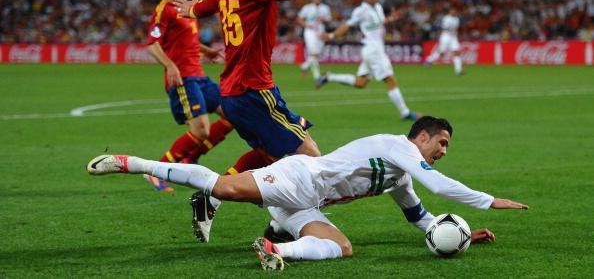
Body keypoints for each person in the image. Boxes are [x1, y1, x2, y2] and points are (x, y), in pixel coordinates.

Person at [87, 115, 529, 271]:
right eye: (442, 143)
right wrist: (489, 200)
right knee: (221, 185)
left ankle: (276, 249)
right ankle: (131, 163)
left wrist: (464, 234)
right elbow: (436, 182)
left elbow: (421, 219)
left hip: (305, 203)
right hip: (300, 178)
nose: (444, 151)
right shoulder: (397, 146)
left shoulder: (400, 176)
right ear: (421, 137)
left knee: (341, 246)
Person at [171, 0, 353, 241]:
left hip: (235, 92)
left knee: (275, 156)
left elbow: (208, 4)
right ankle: (285, 226)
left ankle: (218, 200)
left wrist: (191, 9)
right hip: (254, 89)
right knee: (313, 162)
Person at [145, 0, 233, 192]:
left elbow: (188, 41)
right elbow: (152, 44)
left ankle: (190, 159)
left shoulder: (186, 9)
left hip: (199, 76)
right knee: (201, 130)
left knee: (233, 114)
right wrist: (170, 66)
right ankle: (156, 170)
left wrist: (207, 51)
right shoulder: (164, 9)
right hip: (183, 79)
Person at [317, 0, 421, 121]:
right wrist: (331, 35)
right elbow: (347, 25)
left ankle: (329, 77)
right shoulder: (361, 11)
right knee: (390, 79)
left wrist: (391, 19)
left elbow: (380, 23)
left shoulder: (378, 7)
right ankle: (405, 112)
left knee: (361, 83)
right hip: (373, 50)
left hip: (375, 49)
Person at [297, 0, 332, 82]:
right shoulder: (307, 8)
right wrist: (305, 25)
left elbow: (329, 19)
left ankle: (304, 66)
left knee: (317, 53)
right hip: (310, 32)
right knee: (314, 53)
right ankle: (317, 76)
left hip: (321, 31)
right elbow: (299, 18)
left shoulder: (325, 8)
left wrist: (325, 20)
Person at [424, 6, 465, 75]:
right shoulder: (447, 18)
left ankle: (458, 70)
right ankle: (429, 60)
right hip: (446, 36)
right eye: (452, 10)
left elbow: (457, 28)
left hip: (453, 37)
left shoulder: (457, 19)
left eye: (455, 11)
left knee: (457, 52)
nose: (454, 12)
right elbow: (444, 28)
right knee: (441, 53)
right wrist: (452, 30)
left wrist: (457, 34)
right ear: (450, 12)